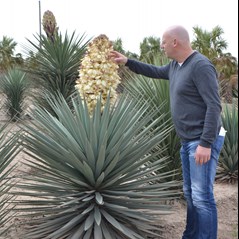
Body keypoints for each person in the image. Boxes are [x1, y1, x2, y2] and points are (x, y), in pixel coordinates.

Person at [110, 25, 225, 239]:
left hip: (202, 141)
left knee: (202, 197)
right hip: (188, 141)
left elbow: (214, 106)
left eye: (164, 41)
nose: (161, 46)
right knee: (191, 195)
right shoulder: (176, 66)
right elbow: (154, 71)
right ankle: (191, 235)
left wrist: (206, 144)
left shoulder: (200, 66)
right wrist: (128, 62)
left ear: (175, 42)